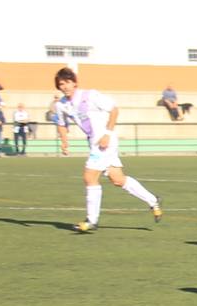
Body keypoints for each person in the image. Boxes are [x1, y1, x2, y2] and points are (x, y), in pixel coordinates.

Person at [53, 68, 163, 232]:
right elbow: (61, 124)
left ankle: (91, 220)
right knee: (117, 179)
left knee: (89, 177)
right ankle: (153, 200)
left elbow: (114, 110)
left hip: (105, 141)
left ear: (74, 82)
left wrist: (107, 134)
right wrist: (64, 141)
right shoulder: (61, 105)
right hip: (94, 142)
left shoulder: (90, 95)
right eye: (61, 84)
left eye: (68, 82)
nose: (65, 86)